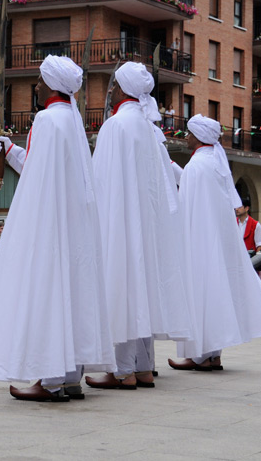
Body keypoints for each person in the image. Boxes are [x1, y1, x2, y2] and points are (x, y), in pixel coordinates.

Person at [0, 55, 115, 402]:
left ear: (52, 86)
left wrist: (15, 156)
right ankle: (69, 376)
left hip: (51, 223)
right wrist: (13, 150)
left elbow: (38, 176)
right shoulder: (71, 120)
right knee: (71, 292)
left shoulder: (47, 120)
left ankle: (50, 381)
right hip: (73, 223)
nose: (35, 86)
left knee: (49, 291)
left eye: (40, 81)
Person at [85, 61, 193, 391]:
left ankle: (122, 370)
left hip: (121, 219)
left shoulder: (116, 126)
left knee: (122, 287)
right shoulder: (149, 128)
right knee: (143, 289)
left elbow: (101, 180)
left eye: (115, 85)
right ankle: (145, 367)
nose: (112, 90)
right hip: (148, 225)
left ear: (123, 89)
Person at [168, 115, 261, 371]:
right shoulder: (213, 163)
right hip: (215, 239)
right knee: (214, 291)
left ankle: (202, 355)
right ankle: (212, 354)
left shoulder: (198, 165)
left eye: (189, 133)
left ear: (199, 137)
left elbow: (187, 202)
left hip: (200, 240)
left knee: (203, 292)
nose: (186, 137)